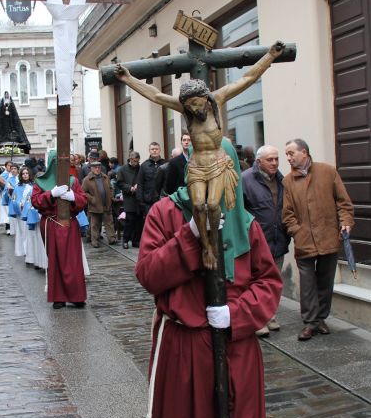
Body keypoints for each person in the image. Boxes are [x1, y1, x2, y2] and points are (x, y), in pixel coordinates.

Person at [134, 139, 282, 418]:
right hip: (183, 344)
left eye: (218, 173)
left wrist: (237, 315)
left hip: (235, 349)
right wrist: (192, 238)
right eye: (200, 173)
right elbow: (148, 274)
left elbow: (268, 283)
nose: (209, 184)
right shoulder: (165, 213)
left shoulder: (247, 224)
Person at [115, 42, 284, 269]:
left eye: (198, 104)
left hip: (217, 163)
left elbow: (247, 78)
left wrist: (270, 56)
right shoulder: (184, 107)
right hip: (196, 165)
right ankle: (206, 248)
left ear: (205, 98)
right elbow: (155, 95)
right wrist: (128, 79)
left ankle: (213, 244)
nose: (196, 110)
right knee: (198, 206)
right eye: (191, 106)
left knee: (213, 205)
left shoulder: (217, 98)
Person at [282, 138, 354, 341]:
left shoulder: (328, 172)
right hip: (304, 241)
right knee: (307, 284)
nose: (287, 158)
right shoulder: (288, 181)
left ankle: (321, 318)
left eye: (291, 153)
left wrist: (345, 222)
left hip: (329, 237)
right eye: (286, 154)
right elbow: (287, 213)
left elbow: (344, 203)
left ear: (304, 152)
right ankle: (310, 322)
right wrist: (297, 230)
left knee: (325, 281)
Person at [242, 145, 290, 336]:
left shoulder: (281, 180)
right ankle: (257, 320)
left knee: (273, 282)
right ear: (259, 161)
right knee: (256, 282)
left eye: (276, 159)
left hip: (278, 240)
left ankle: (270, 316)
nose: (274, 163)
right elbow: (241, 212)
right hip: (257, 242)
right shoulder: (246, 179)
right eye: (270, 159)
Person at [31, 151, 87, 309]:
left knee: (73, 261)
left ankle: (76, 296)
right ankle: (58, 297)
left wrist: (74, 197)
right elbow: (35, 201)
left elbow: (83, 200)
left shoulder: (73, 181)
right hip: (51, 223)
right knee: (55, 260)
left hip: (69, 223)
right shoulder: (40, 182)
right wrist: (51, 194)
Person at [82, 160, 117, 247]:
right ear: (91, 169)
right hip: (95, 205)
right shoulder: (87, 180)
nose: (97, 169)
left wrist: (110, 195)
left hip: (106, 203)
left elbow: (110, 188)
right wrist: (92, 199)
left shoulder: (105, 177)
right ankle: (94, 241)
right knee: (95, 224)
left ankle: (112, 239)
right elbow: (83, 192)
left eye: (99, 167)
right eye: (95, 168)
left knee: (109, 222)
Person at [117, 151, 143, 249]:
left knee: (139, 220)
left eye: (137, 161)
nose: (135, 163)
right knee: (129, 220)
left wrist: (138, 186)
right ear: (130, 159)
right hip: (129, 198)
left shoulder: (141, 168)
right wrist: (129, 188)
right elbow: (119, 183)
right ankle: (126, 240)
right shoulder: (122, 169)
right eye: (134, 161)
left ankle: (136, 241)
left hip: (139, 198)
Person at [135, 142, 166, 217]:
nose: (154, 151)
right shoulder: (144, 165)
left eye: (156, 149)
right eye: (152, 149)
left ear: (160, 150)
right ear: (149, 151)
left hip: (163, 200)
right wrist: (141, 201)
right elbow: (140, 184)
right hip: (148, 202)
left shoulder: (165, 164)